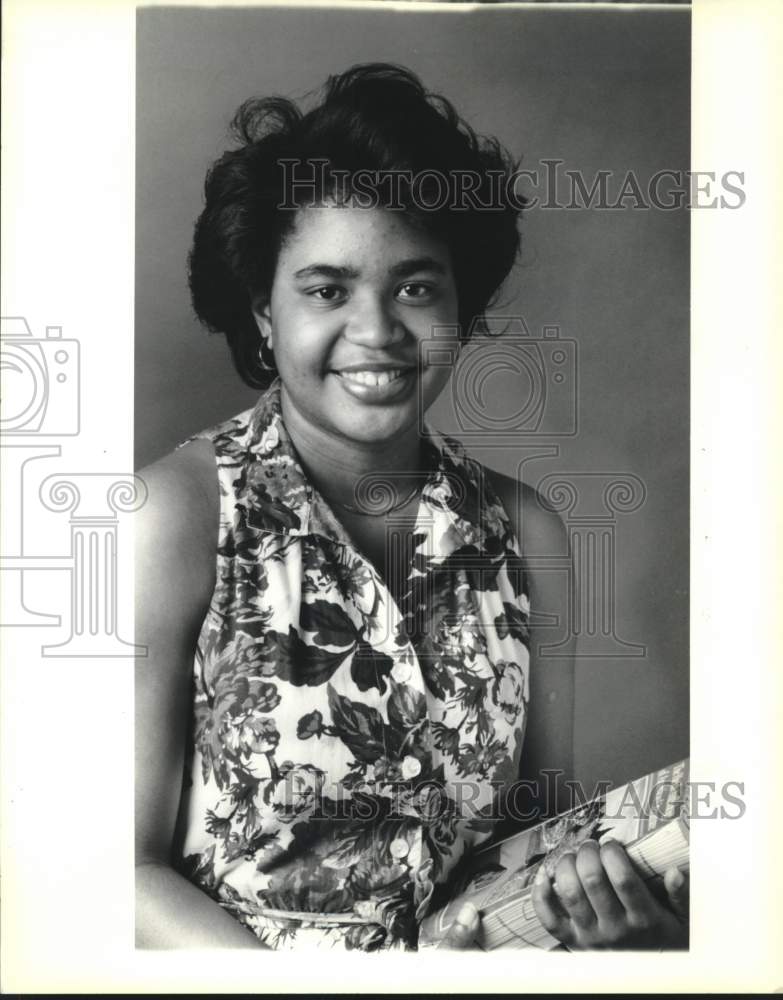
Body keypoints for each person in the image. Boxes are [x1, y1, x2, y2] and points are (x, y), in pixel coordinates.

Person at [135, 63, 688, 951]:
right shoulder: (175, 517)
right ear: (262, 312)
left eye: (416, 286)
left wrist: (601, 916)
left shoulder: (527, 532)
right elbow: (121, 873)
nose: (379, 330)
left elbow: (535, 841)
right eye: (325, 289)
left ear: (459, 309)